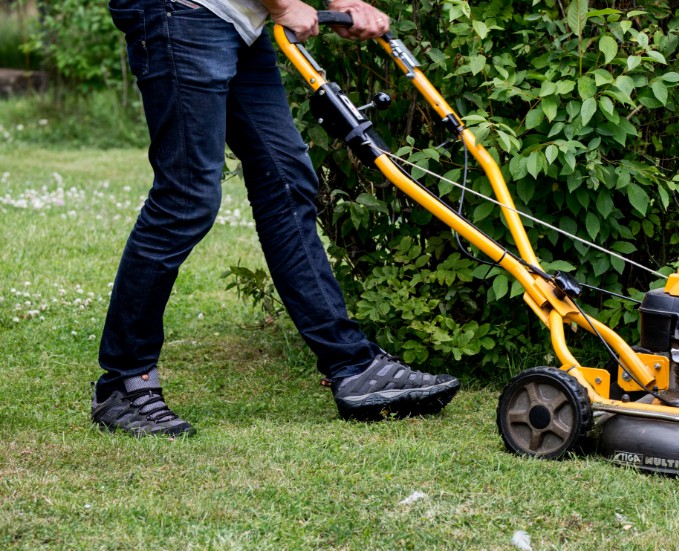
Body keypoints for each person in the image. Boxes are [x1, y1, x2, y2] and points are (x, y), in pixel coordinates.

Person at [91, 0, 459, 436]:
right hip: (183, 13)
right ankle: (124, 383)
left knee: (286, 181)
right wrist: (283, 5)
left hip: (237, 20)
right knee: (186, 199)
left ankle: (352, 365)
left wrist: (341, 5)